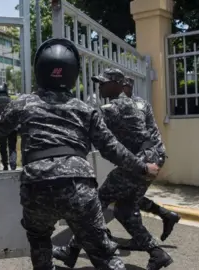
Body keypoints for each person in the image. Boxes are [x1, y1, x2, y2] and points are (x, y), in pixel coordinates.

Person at [0, 38, 160, 270]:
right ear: (73, 74)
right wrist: (143, 167)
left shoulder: (24, 103)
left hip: (37, 186)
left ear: (40, 70)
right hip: (79, 187)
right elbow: (112, 148)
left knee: (40, 242)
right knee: (104, 254)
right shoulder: (85, 109)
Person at [53, 68, 173, 270]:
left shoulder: (112, 107)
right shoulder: (134, 104)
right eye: (99, 83)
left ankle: (71, 251)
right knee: (124, 211)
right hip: (150, 158)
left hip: (138, 162)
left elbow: (86, 124)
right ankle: (157, 253)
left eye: (104, 83)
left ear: (118, 84)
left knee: (95, 204)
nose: (100, 86)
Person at [121, 76, 180, 246]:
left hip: (146, 157)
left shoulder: (127, 106)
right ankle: (166, 215)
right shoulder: (141, 103)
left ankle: (143, 241)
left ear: (125, 88)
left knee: (126, 202)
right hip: (153, 154)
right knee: (132, 196)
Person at [0, 84, 18, 170]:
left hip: (1, 128)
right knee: (12, 147)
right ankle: (13, 164)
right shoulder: (11, 100)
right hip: (12, 127)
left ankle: (5, 165)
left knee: (2, 147)